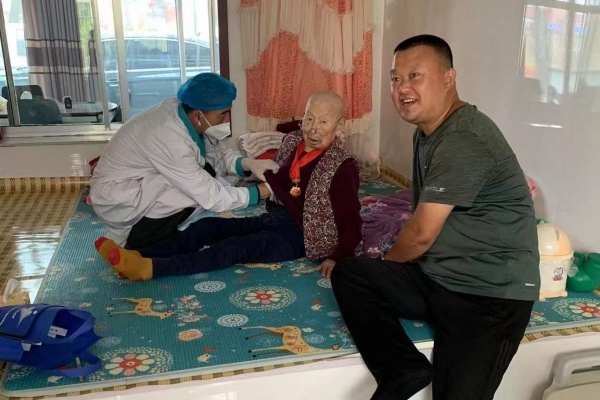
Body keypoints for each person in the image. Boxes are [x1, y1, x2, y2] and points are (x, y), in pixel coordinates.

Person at [331, 35, 539, 400]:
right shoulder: (426, 134)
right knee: (351, 274)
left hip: (488, 295)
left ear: (448, 78)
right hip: (439, 277)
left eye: (415, 75)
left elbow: (421, 234)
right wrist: (386, 271)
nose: (402, 88)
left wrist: (389, 265)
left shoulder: (464, 138)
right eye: (395, 79)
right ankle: (401, 369)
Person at [95, 91, 362, 281]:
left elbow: (351, 220)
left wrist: (339, 256)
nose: (313, 129)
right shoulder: (293, 141)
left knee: (233, 248)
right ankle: (135, 254)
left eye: (324, 121)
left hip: (301, 236)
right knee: (208, 227)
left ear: (339, 126)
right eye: (309, 118)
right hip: (275, 219)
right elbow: (275, 177)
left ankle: (150, 268)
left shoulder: (341, 166)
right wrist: (253, 169)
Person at [90, 73, 277, 254]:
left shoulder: (187, 114)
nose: (227, 120)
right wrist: (262, 191)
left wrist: (249, 164)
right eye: (222, 115)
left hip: (138, 181)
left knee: (204, 177)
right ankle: (140, 244)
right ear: (198, 116)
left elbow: (217, 154)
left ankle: (130, 236)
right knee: (191, 193)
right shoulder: (169, 136)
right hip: (117, 196)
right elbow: (210, 196)